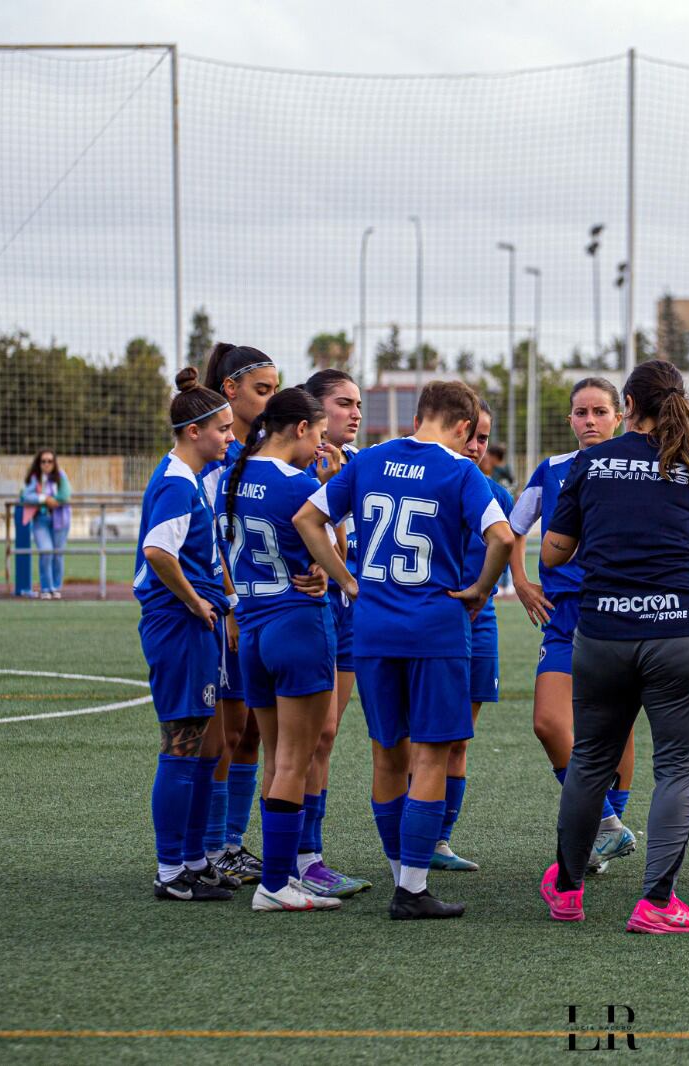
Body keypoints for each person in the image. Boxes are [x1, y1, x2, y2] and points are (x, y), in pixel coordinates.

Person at [296, 380, 513, 920]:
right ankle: (412, 888)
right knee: (431, 754)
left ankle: (402, 874)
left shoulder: (369, 461)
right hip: (434, 629)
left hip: (372, 629)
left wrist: (346, 580)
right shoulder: (461, 471)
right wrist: (480, 590)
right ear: (464, 427)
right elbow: (503, 538)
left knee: (386, 754)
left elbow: (308, 518)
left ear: (419, 415)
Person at [538, 359, 689, 934]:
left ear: (627, 404)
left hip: (603, 634)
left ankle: (568, 890)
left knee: (590, 763)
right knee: (677, 771)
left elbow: (552, 553)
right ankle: (656, 903)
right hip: (682, 633)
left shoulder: (590, 462)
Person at [220, 387, 348, 913]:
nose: (320, 445)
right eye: (318, 434)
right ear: (300, 429)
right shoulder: (297, 482)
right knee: (297, 758)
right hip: (296, 624)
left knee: (277, 756)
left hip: (251, 625)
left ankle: (277, 879)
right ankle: (277, 882)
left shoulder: (234, 473)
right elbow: (329, 540)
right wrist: (344, 579)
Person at [509, 378, 639, 874]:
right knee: (548, 722)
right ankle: (608, 825)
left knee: (617, 725)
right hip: (564, 618)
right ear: (570, 421)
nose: (590, 420)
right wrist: (520, 580)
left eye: (600, 411)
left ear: (618, 417)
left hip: (619, 612)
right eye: (581, 412)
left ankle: (606, 836)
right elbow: (513, 528)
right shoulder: (553, 470)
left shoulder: (634, 467)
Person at [135, 369, 240, 902]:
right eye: (222, 428)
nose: (229, 436)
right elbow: (158, 551)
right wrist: (195, 599)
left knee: (199, 744)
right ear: (194, 431)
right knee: (180, 745)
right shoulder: (178, 482)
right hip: (178, 627)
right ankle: (171, 871)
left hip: (193, 626)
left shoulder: (189, 479)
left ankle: (192, 859)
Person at [199, 342, 281, 884]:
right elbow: (212, 539)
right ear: (230, 391)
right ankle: (208, 849)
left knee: (250, 730)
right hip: (228, 610)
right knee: (225, 734)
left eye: (276, 390)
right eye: (262, 390)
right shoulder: (213, 457)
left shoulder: (257, 451)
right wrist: (230, 604)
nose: (270, 400)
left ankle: (231, 842)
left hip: (260, 607)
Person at [289, 368, 372, 900]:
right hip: (300, 614)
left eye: (358, 403)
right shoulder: (289, 465)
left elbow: (345, 539)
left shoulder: (364, 466)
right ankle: (294, 855)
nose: (356, 413)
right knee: (303, 738)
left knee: (327, 734)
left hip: (347, 615)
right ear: (315, 413)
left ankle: (309, 855)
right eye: (344, 403)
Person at [430, 399, 517, 872]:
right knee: (420, 738)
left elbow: (509, 547)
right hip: (428, 621)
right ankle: (411, 836)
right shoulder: (429, 481)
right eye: (472, 435)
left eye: (484, 438)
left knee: (460, 738)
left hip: (478, 623)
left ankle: (440, 840)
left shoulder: (495, 496)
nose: (477, 446)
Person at [20, 450, 72, 599]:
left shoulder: (61, 476)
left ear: (54, 462)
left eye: (50, 461)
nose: (47, 464)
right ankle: (45, 587)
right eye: (43, 461)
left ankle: (55, 587)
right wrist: (43, 498)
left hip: (60, 520)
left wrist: (55, 499)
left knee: (57, 554)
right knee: (46, 551)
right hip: (41, 520)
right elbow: (26, 495)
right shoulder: (35, 478)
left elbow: (65, 494)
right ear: (39, 463)